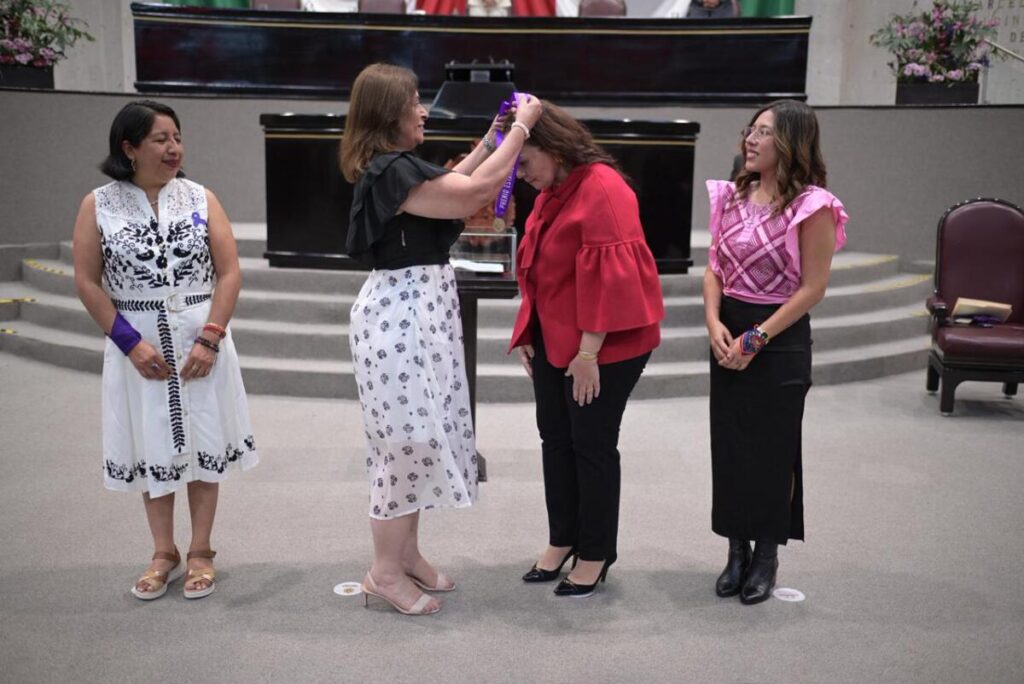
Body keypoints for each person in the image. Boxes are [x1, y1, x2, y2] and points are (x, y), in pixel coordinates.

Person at [340, 63, 542, 615]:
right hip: (399, 318)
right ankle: (383, 572)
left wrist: (492, 138)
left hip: (421, 312)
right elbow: (472, 193)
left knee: (423, 437)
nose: (423, 111)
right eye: (414, 102)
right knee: (405, 443)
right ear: (390, 113)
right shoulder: (389, 170)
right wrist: (521, 128)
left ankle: (405, 554)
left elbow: (457, 178)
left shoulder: (400, 166)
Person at [72, 100, 257, 601]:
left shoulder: (201, 197)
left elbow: (229, 272)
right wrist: (129, 344)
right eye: (160, 139)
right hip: (138, 342)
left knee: (204, 441)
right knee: (152, 441)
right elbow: (87, 281)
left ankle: (201, 550)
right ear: (129, 148)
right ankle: (162, 551)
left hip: (201, 338)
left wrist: (211, 337)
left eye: (177, 137)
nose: (174, 148)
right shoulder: (98, 204)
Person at [507, 102, 664, 598]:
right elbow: (538, 267)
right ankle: (563, 538)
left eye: (524, 162)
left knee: (591, 443)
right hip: (558, 336)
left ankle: (595, 552)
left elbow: (612, 280)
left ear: (552, 148)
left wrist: (589, 354)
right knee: (555, 437)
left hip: (607, 342)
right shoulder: (552, 190)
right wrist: (528, 330)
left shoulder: (602, 187)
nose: (521, 176)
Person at [702, 99, 848, 605]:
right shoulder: (732, 194)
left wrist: (758, 338)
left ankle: (765, 555)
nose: (751, 138)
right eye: (751, 129)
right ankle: (735, 550)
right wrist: (714, 322)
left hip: (779, 338)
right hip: (728, 331)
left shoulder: (813, 205)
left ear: (790, 142)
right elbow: (714, 269)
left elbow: (813, 288)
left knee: (772, 453)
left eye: (764, 132)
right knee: (729, 447)